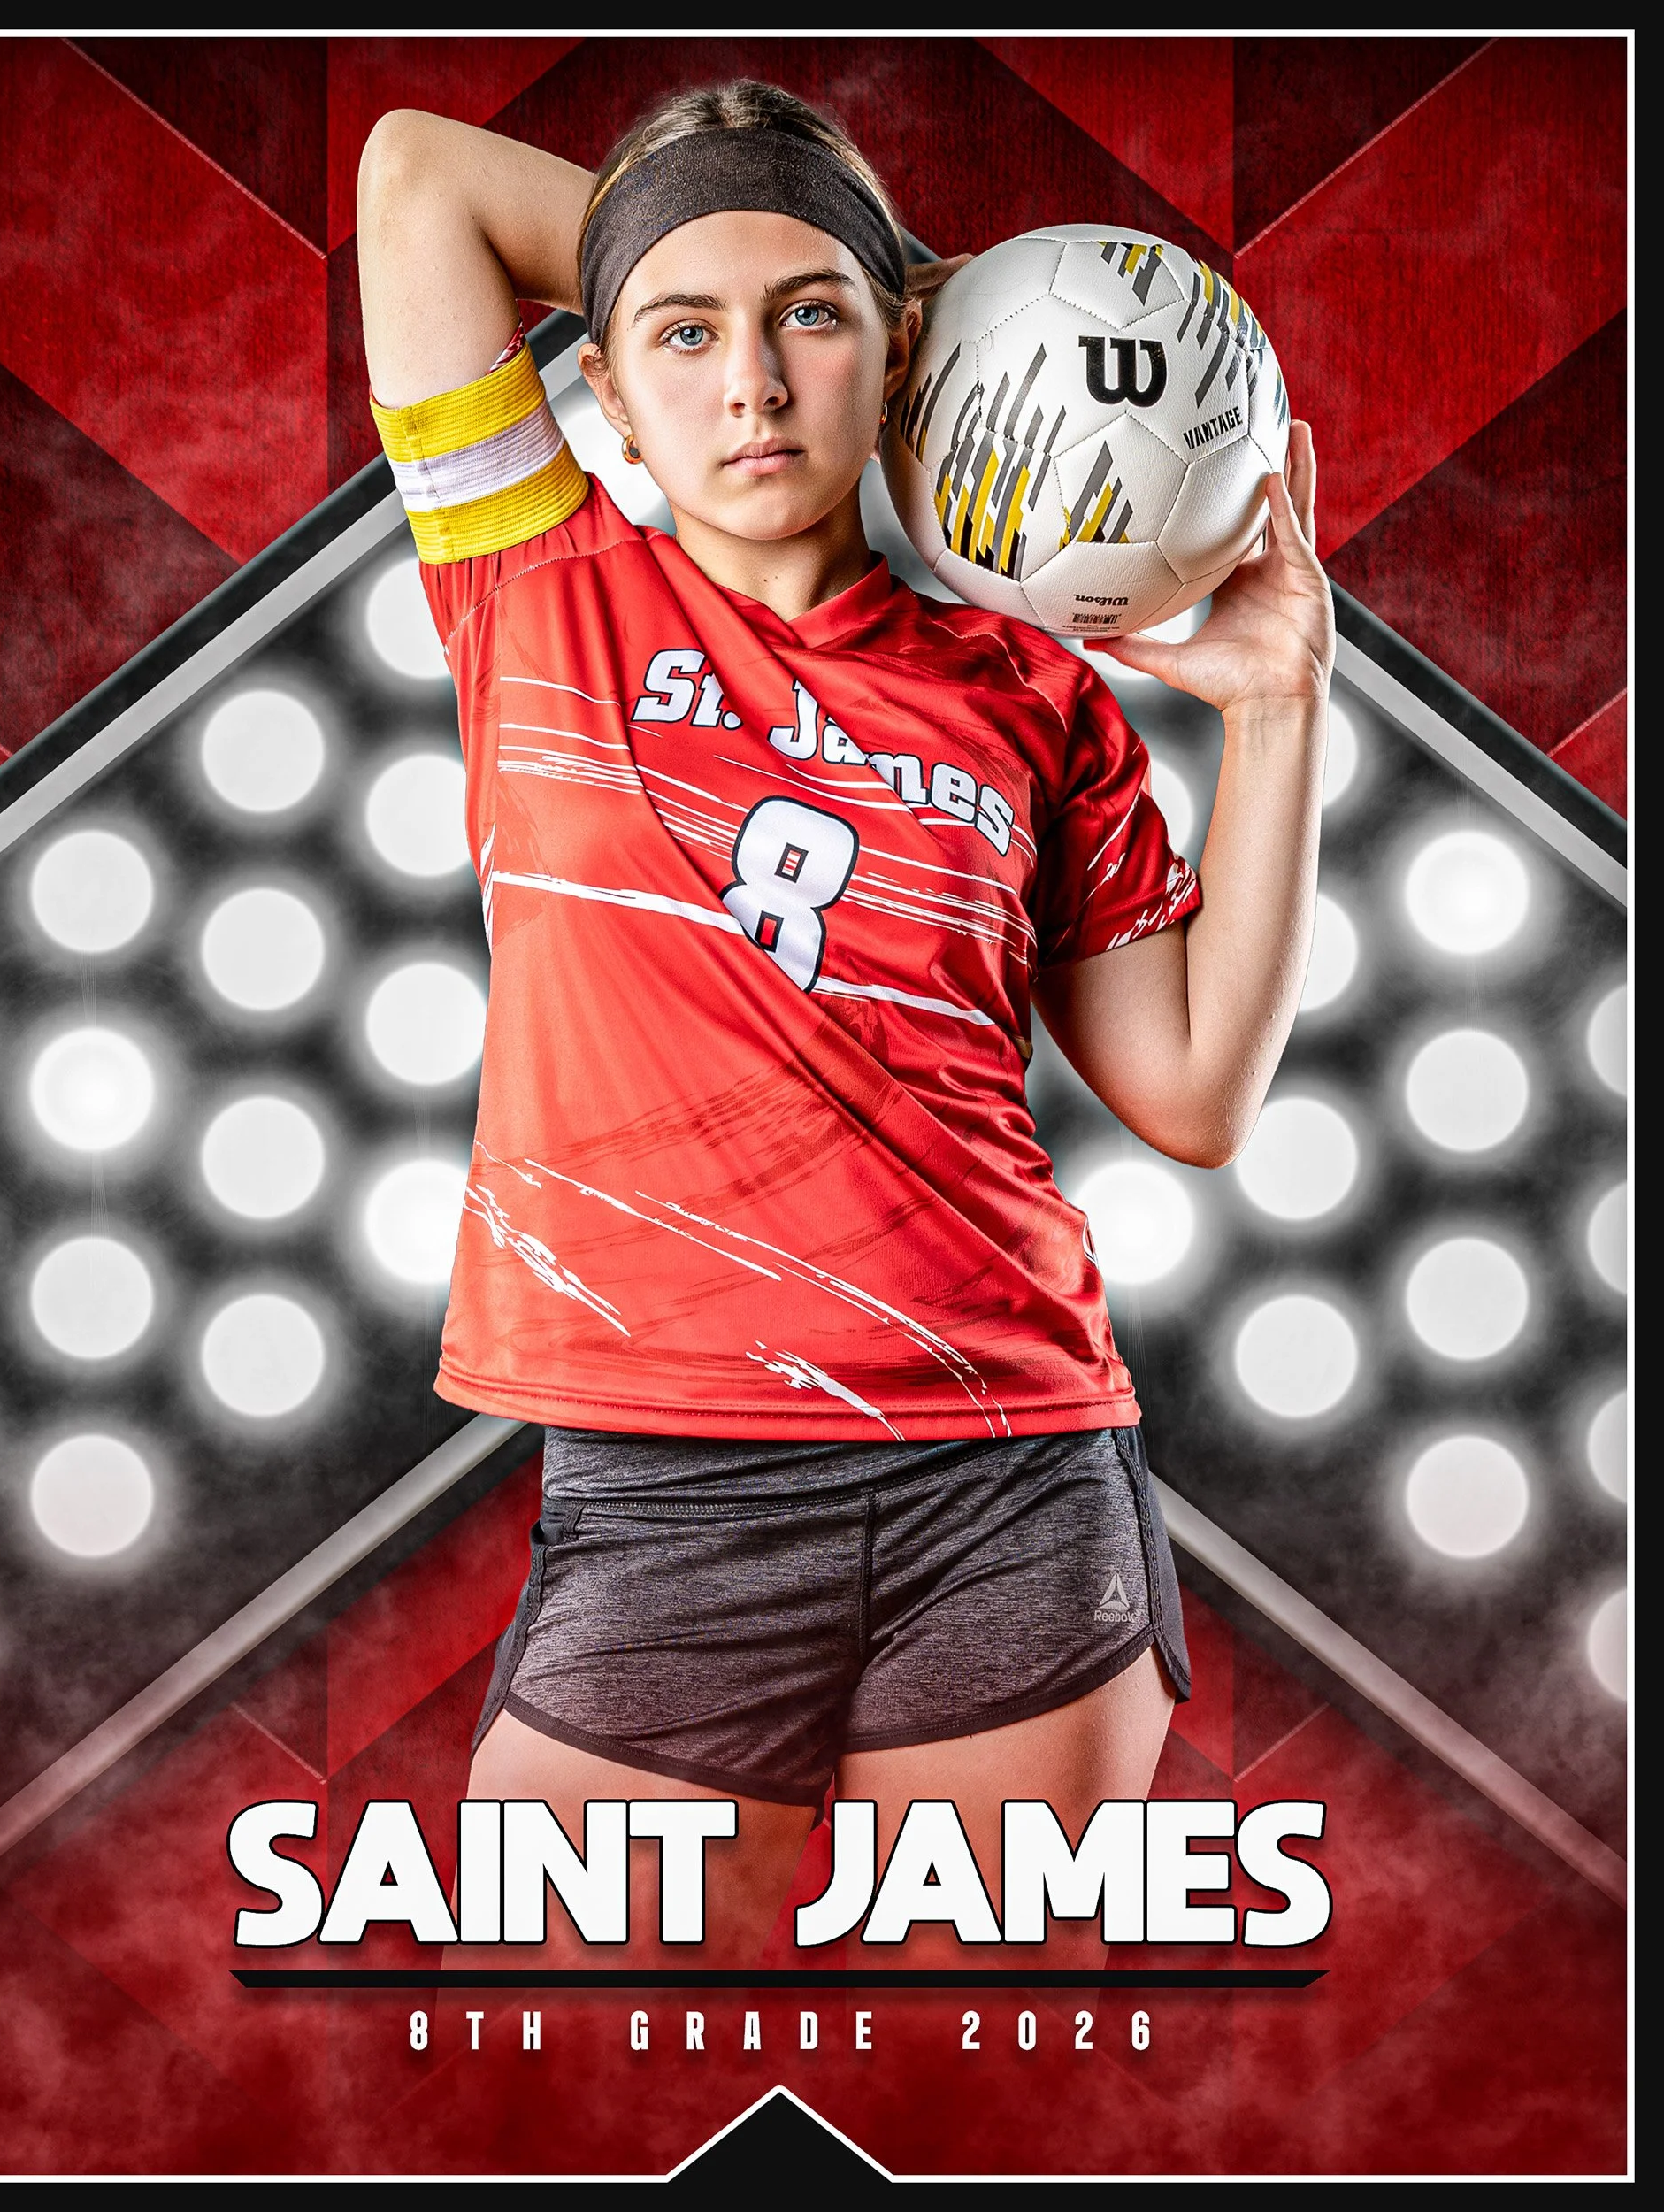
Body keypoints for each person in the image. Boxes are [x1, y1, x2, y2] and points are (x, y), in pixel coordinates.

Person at [357, 80, 1334, 1966]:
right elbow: (418, 172)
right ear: (613, 388)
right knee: (555, 2056)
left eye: (810, 317)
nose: (751, 385)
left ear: (883, 361)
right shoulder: (529, 582)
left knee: (990, 2073)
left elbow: (1197, 1092)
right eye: (681, 332)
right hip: (664, 1480)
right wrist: (861, 271)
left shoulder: (1032, 687)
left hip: (1014, 1464)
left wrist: (1284, 705)